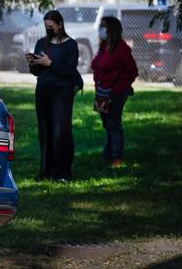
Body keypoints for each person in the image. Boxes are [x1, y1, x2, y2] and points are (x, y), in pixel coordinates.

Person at [27, 10, 80, 182]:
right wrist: (33, 63)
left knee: (61, 131)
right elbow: (36, 72)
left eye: (51, 26)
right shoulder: (42, 43)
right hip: (43, 89)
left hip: (62, 91)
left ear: (59, 25)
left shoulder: (70, 45)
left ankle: (62, 172)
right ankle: (45, 170)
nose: (48, 29)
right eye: (46, 27)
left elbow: (70, 71)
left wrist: (50, 63)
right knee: (45, 130)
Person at [91, 16, 138, 168]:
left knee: (114, 123)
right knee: (107, 123)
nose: (101, 30)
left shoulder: (121, 48)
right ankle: (108, 153)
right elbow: (96, 66)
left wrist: (119, 87)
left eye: (104, 27)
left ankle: (117, 157)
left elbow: (133, 71)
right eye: (100, 26)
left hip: (116, 92)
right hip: (102, 92)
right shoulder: (103, 46)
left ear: (112, 29)